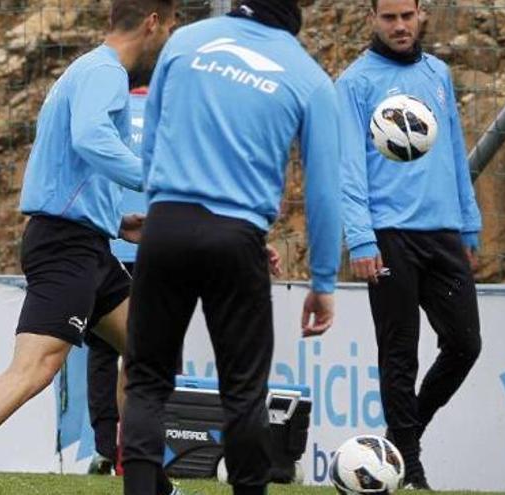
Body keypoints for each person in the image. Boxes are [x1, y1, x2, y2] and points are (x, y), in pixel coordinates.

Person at [120, 1, 342, 494]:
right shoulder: (308, 78)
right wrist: (322, 281)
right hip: (237, 238)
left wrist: (161, 208)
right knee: (243, 392)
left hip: (167, 227)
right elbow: (326, 191)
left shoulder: (187, 41)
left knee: (147, 382)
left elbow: (153, 142)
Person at [0, 0, 176, 430]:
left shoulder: (90, 69)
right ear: (153, 23)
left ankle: (142, 478)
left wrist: (114, 221)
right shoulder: (105, 72)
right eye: (172, 26)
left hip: (89, 244)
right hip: (66, 246)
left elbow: (67, 170)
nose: (171, 38)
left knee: (148, 350)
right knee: (34, 369)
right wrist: (157, 181)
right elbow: (90, 137)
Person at [337, 0, 483, 489]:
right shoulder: (355, 84)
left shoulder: (437, 73)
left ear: (420, 14)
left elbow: (456, 151)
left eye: (407, 15)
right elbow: (348, 171)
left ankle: (401, 439)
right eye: (389, 17)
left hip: (442, 233)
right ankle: (411, 469)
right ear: (372, 19)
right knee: (399, 352)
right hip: (388, 237)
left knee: (465, 344)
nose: (399, 26)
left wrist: (468, 225)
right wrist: (360, 238)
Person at [85, 85, 150, 476]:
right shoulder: (170, 110)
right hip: (152, 244)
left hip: (110, 241)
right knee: (146, 351)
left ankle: (106, 446)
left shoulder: (107, 112)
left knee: (103, 351)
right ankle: (134, 449)